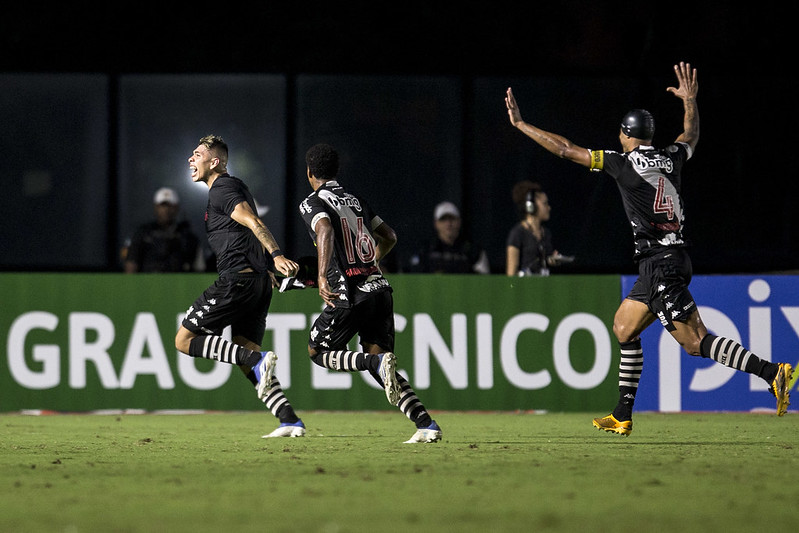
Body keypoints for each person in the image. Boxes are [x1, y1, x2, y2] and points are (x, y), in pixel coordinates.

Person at [505, 62, 793, 434]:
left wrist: (522, 125)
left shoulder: (622, 163)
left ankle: (772, 372)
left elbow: (565, 149)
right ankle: (622, 413)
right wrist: (690, 100)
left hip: (660, 264)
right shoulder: (672, 157)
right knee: (624, 327)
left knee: (695, 342)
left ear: (626, 135)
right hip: (666, 260)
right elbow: (691, 134)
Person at [299, 143, 442, 443]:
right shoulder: (356, 200)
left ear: (310, 172)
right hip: (378, 288)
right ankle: (426, 425)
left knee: (318, 351)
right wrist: (373, 261)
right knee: (381, 365)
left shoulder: (312, 202)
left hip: (350, 292)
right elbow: (389, 236)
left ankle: (371, 363)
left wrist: (323, 276)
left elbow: (324, 230)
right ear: (336, 171)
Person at [174, 135, 306, 438]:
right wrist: (265, 267)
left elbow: (254, 224)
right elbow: (246, 230)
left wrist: (276, 256)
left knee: (184, 340)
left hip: (238, 280)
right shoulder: (233, 187)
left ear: (215, 161)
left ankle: (256, 360)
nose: (191, 160)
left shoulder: (222, 188)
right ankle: (289, 420)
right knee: (247, 355)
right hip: (258, 281)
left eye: (197, 154)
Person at [123, 187, 203, 273]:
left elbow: (199, 269)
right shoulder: (143, 234)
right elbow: (131, 264)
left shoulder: (188, 237)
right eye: (162, 206)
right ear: (156, 208)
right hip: (148, 284)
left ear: (176, 208)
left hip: (179, 285)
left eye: (170, 206)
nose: (166, 210)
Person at [408, 201, 490, 274]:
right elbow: (415, 277)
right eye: (443, 219)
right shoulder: (425, 249)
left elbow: (484, 281)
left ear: (459, 222)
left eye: (452, 219)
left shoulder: (473, 251)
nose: (448, 223)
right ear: (436, 223)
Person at [505, 180, 566, 276]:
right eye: (545, 204)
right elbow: (511, 274)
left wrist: (551, 260)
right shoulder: (517, 233)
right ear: (531, 206)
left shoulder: (546, 233)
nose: (549, 208)